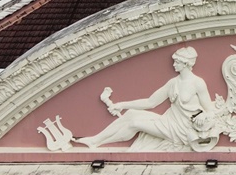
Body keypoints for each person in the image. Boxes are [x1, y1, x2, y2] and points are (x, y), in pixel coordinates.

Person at [74, 46, 217, 151]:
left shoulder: (197, 83)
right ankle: (95, 140)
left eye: (177, 62)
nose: (173, 64)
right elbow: (151, 102)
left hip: (181, 130)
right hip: (169, 121)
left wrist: (203, 115)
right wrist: (122, 105)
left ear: (186, 64)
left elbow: (210, 111)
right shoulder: (173, 83)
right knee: (131, 114)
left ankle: (97, 143)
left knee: (134, 123)